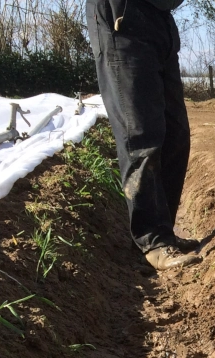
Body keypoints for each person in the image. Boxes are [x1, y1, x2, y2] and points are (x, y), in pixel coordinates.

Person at [86, 0, 201, 270]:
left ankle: (164, 231)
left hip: (160, 21)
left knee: (175, 135)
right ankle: (153, 240)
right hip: (123, 21)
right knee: (141, 137)